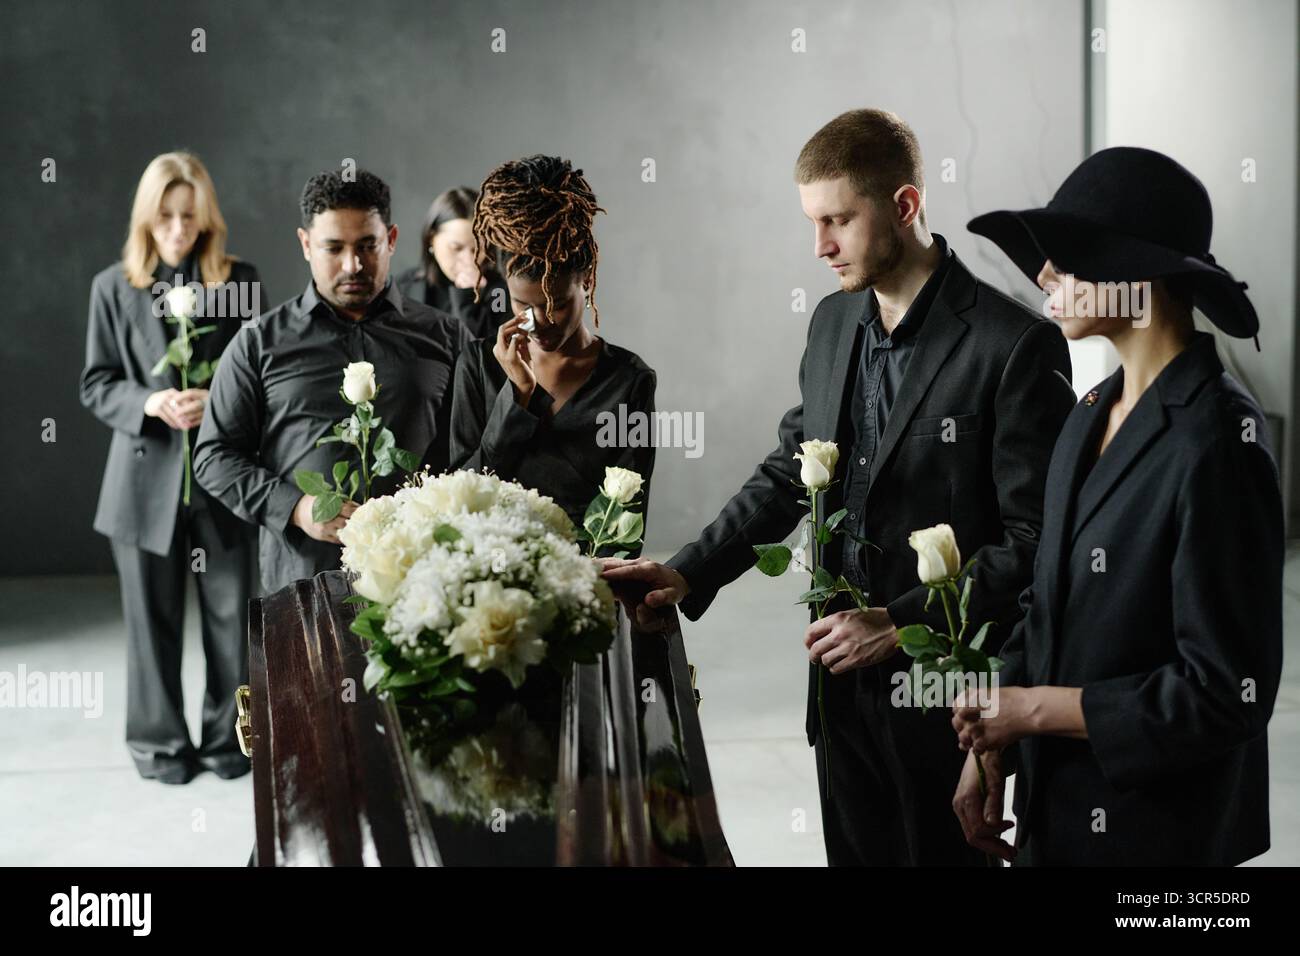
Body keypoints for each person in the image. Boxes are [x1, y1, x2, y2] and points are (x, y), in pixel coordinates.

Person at [601, 109, 1075, 865]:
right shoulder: (829, 323)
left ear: (906, 206)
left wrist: (898, 621)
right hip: (836, 698)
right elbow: (793, 468)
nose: (819, 246)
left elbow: (1037, 546)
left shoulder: (1013, 345)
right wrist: (687, 569)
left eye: (837, 221)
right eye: (811, 222)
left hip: (945, 712)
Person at [951, 146, 1283, 866]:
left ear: (1137, 273)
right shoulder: (1091, 412)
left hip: (1157, 837)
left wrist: (1032, 713)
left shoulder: (1219, 442)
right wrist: (990, 740)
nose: (1043, 277)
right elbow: (1048, 604)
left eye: (1066, 258)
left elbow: (1227, 692)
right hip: (1056, 815)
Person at [193, 168, 468, 595]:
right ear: (306, 244)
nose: (352, 265)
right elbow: (214, 455)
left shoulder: (446, 337)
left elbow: (474, 447)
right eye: (333, 248)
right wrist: (296, 508)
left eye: (367, 246)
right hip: (301, 582)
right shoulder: (258, 344)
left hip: (423, 579)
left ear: (391, 239)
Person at [79, 152, 260, 784]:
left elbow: (260, 380)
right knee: (148, 632)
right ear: (146, 218)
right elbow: (97, 384)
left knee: (231, 626)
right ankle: (159, 749)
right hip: (139, 487)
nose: (178, 228)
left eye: (189, 215)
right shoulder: (113, 287)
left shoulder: (239, 280)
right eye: (166, 216)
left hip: (224, 484)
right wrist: (151, 401)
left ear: (206, 216)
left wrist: (217, 401)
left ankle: (228, 742)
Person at [450, 156, 656, 548]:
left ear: (588, 279)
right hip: (482, 582)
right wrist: (517, 398)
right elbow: (459, 501)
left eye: (556, 304)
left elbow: (627, 527)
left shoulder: (628, 381)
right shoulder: (477, 366)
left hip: (589, 587)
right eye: (521, 306)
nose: (538, 322)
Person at [395, 186, 511, 339]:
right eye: (456, 248)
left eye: (477, 249)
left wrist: (467, 299)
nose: (469, 261)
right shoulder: (404, 286)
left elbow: (478, 355)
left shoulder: (501, 292)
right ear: (431, 239)